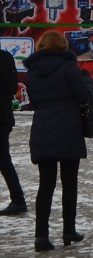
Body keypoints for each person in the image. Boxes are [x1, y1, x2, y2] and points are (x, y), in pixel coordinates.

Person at [24, 30, 93, 252]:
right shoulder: (69, 67)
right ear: (62, 45)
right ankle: (68, 230)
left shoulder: (33, 70)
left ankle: (41, 236)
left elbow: (33, 99)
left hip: (42, 125)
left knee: (45, 185)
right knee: (69, 183)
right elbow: (83, 95)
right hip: (68, 126)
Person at [0, 48, 27, 216]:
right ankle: (18, 199)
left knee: (3, 161)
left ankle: (18, 200)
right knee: (3, 161)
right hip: (4, 118)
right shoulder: (6, 62)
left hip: (1, 118)